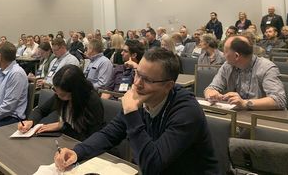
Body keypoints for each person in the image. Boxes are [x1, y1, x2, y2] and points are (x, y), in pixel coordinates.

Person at [54, 48, 219, 175]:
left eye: (147, 79)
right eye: (137, 74)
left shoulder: (187, 111)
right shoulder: (142, 99)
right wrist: (77, 152)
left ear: (168, 86)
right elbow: (109, 134)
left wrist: (132, 113)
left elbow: (152, 165)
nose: (138, 84)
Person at [18, 65, 104, 141]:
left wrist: (62, 126)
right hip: (63, 140)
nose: (58, 96)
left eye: (63, 94)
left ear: (75, 92)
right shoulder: (60, 93)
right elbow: (40, 110)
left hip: (80, 147)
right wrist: (31, 121)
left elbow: (91, 139)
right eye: (55, 91)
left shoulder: (91, 101)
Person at [204, 36, 286, 110]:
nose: (223, 55)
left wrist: (245, 103)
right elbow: (211, 88)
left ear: (236, 56)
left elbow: (279, 100)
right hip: (236, 116)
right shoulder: (227, 66)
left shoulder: (266, 68)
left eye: (225, 52)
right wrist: (212, 93)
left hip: (260, 118)